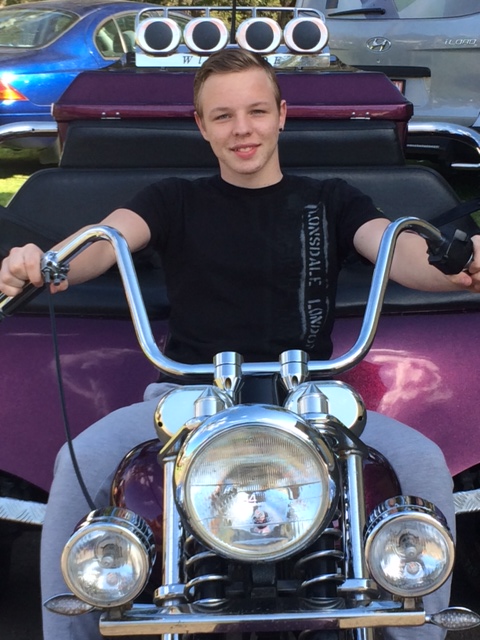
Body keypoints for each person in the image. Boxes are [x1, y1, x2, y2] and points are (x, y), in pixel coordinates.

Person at [1, 48, 479, 640]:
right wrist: (46, 263)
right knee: (79, 464)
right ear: (202, 126)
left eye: (256, 111)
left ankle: (419, 632)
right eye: (223, 116)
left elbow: (397, 249)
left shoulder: (332, 199)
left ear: (282, 115)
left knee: (422, 463)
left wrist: (461, 268)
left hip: (310, 400)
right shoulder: (170, 198)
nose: (242, 129)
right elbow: (104, 242)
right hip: (187, 399)